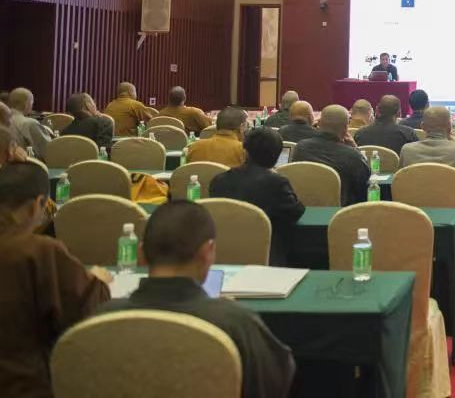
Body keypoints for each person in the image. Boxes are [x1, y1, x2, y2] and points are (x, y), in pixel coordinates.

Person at [97, 202, 294, 398]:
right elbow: (275, 381)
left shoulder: (102, 319)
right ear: (207, 252)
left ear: (140, 254)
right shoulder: (234, 322)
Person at [0, 162, 112, 398]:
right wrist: (97, 282)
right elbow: (84, 311)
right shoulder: (37, 251)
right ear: (37, 204)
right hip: (23, 385)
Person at [400, 107, 455, 299]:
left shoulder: (407, 150)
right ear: (450, 127)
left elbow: (401, 181)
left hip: (413, 218)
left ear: (423, 127)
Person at [208, 127, 305, 265]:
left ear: (245, 151)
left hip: (221, 255)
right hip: (266, 256)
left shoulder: (219, 180)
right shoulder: (277, 183)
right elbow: (296, 212)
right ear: (277, 156)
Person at [294, 105, 370, 205]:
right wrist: (355, 148)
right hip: (341, 212)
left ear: (318, 124)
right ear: (346, 128)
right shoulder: (353, 156)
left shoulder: (300, 148)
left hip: (305, 208)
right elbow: (365, 184)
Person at [6, 88, 55, 158]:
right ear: (26, 104)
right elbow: (49, 150)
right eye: (32, 103)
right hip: (24, 163)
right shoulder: (29, 123)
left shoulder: (3, 120)